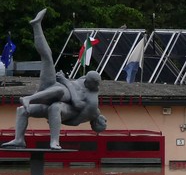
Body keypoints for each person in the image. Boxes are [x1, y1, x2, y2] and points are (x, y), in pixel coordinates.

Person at [1, 9, 107, 150]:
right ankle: (36, 25)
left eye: (103, 122)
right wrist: (65, 81)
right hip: (51, 92)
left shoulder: (92, 106)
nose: (105, 119)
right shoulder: (86, 82)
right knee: (47, 58)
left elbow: (76, 104)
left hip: (59, 104)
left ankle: (54, 140)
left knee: (56, 103)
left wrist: (65, 81)